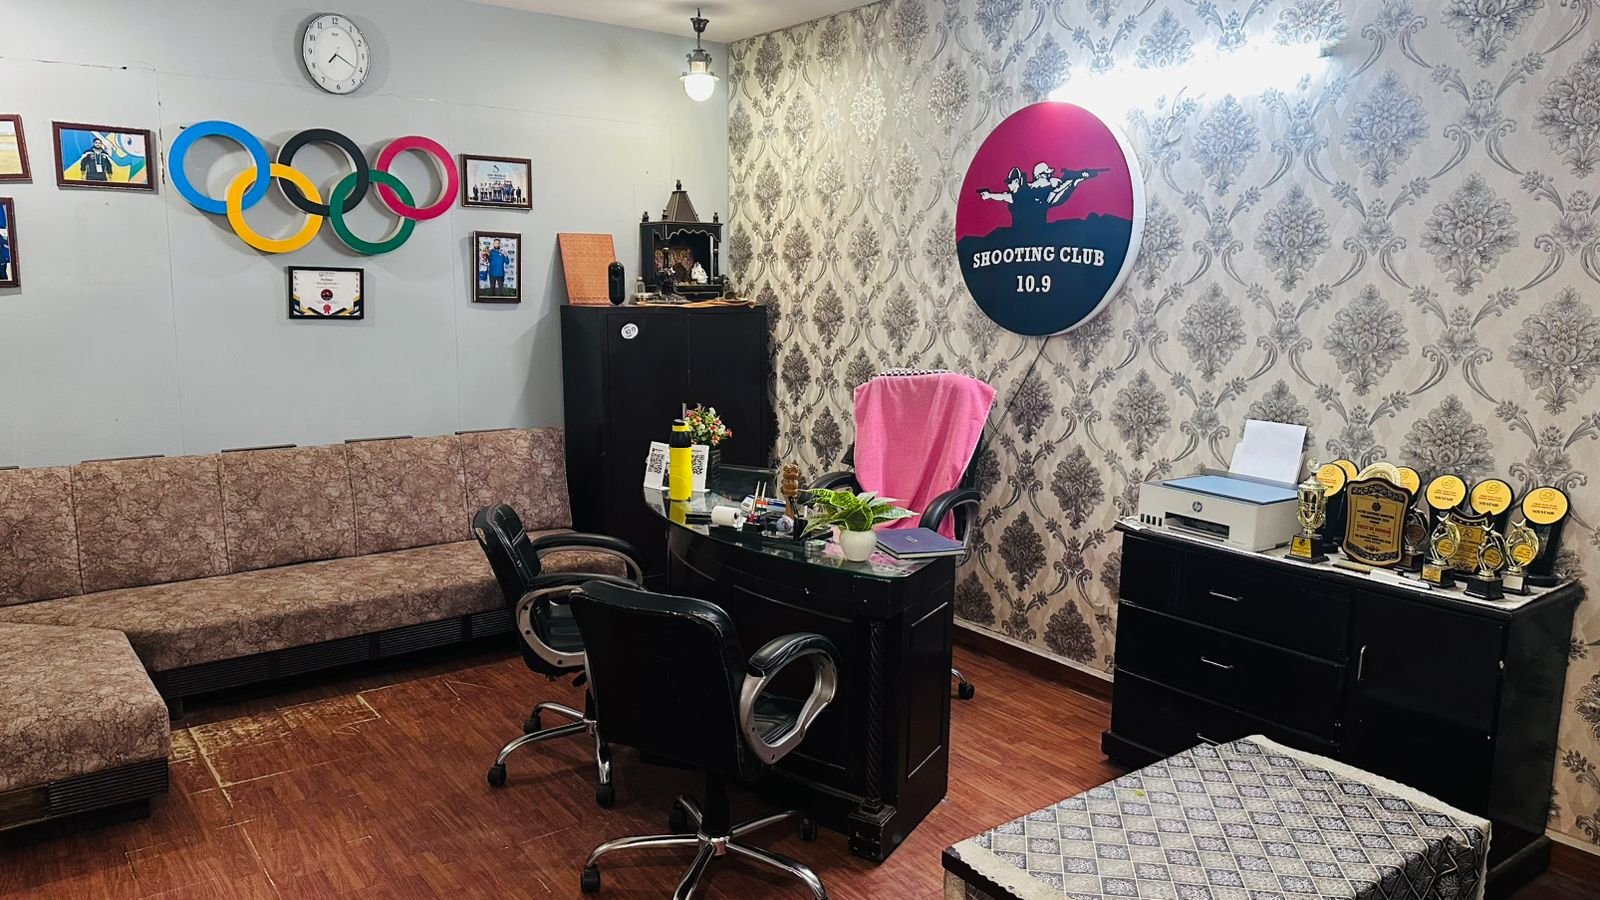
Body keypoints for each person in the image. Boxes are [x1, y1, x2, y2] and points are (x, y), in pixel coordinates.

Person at [977, 161, 1105, 229]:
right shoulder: (1022, 193)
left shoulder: (1045, 193)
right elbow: (1004, 196)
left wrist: (1075, 181)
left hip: (1038, 234)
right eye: (1046, 175)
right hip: (1021, 235)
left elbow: (1058, 195)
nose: (1049, 177)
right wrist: (989, 195)